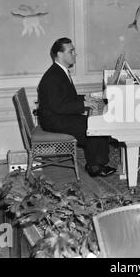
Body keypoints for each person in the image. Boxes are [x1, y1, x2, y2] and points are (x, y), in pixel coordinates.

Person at [37, 37, 116, 178]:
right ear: (60, 54)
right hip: (54, 120)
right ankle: (95, 167)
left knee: (96, 124)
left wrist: (85, 98)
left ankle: (98, 162)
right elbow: (58, 106)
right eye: (71, 51)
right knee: (93, 127)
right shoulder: (53, 77)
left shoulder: (60, 71)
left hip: (59, 116)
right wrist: (83, 105)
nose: (75, 54)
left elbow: (66, 98)